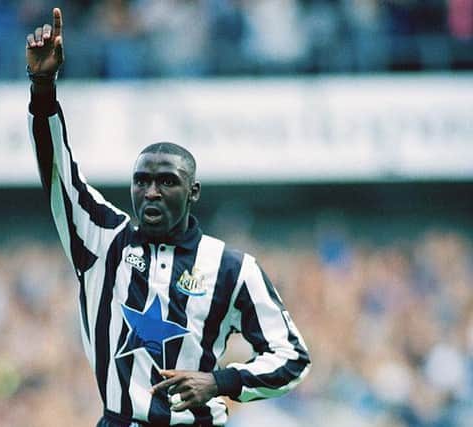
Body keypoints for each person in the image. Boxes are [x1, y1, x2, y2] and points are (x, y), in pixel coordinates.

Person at [26, 8, 311, 427]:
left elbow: (292, 357)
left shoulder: (232, 268)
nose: (151, 191)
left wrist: (221, 381)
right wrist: (43, 88)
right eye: (141, 181)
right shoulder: (102, 239)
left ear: (193, 192)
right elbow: (58, 172)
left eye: (166, 181)